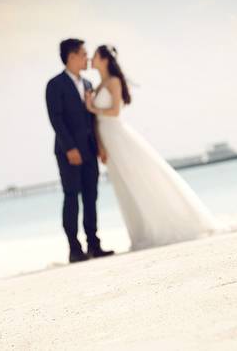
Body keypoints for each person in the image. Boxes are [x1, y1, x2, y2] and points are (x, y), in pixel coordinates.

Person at [84, 44, 221, 251]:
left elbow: (115, 111)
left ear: (104, 59)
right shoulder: (97, 85)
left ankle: (162, 225)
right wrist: (100, 145)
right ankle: (141, 232)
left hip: (118, 136)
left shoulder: (113, 81)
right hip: (107, 139)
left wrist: (92, 107)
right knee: (123, 186)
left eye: (94, 56)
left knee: (139, 179)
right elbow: (95, 121)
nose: (91, 59)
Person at [45, 38, 114, 263]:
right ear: (72, 56)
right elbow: (56, 119)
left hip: (90, 150)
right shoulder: (54, 85)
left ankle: (94, 244)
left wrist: (100, 146)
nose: (87, 58)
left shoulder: (87, 84)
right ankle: (74, 249)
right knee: (72, 197)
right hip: (68, 152)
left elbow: (92, 120)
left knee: (91, 197)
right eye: (84, 54)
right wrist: (70, 148)